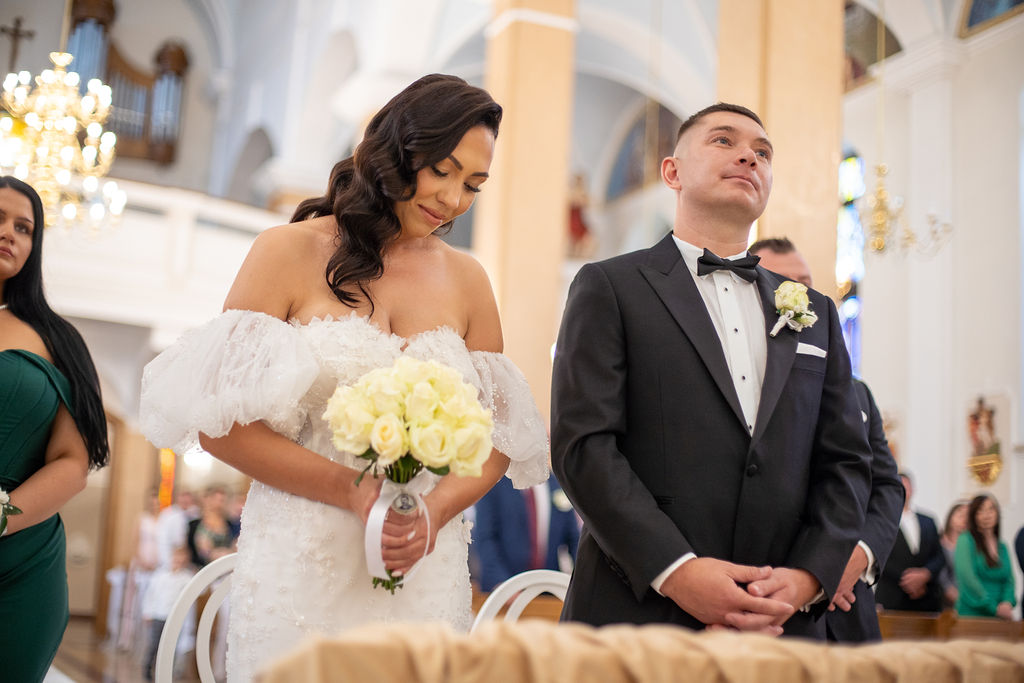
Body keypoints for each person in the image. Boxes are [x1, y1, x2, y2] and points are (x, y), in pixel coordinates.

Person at [140, 74, 548, 682]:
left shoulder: (468, 281)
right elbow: (220, 424)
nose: (456, 199)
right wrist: (351, 489)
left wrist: (433, 512)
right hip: (302, 559)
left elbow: (499, 438)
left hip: (419, 567)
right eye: (443, 169)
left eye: (474, 184)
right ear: (398, 147)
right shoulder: (286, 252)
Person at [550, 103, 872, 639]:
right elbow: (583, 446)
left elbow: (846, 461)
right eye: (724, 141)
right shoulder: (609, 286)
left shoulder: (815, 313)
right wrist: (677, 571)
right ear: (672, 172)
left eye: (763, 153)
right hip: (640, 614)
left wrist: (807, 577)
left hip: (781, 624)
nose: (749, 155)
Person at [751, 236, 904, 642]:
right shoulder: (743, 390)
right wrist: (813, 572)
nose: (799, 298)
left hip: (848, 611)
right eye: (784, 284)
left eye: (806, 283)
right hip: (771, 602)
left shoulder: (858, 393)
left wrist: (854, 559)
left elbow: (885, 486)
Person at [0, 176, 110, 682]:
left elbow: (72, 462)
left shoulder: (57, 339)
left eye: (24, 228)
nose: (10, 234)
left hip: (22, 558)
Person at [473, 473, 580, 591]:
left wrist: (583, 582)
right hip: (503, 590)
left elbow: (574, 540)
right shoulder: (495, 483)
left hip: (548, 591)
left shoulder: (558, 485)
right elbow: (485, 537)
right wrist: (501, 583)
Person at [874, 473, 946, 612]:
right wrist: (910, 581)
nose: (903, 490)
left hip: (926, 598)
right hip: (892, 597)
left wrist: (926, 574)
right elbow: (879, 556)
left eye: (906, 486)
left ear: (913, 489)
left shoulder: (928, 521)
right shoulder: (881, 520)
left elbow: (939, 556)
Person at [954, 494, 1017, 619]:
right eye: (980, 510)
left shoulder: (1002, 546)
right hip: (972, 614)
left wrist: (1007, 603)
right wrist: (994, 608)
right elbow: (968, 579)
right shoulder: (965, 540)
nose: (986, 515)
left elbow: (1009, 580)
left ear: (997, 513)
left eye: (991, 509)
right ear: (973, 515)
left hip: (1001, 615)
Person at [141, 546, 195, 680]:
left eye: (182, 558)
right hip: (158, 615)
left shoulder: (186, 577)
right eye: (176, 557)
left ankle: (167, 671)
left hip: (174, 618)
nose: (178, 560)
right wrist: (147, 612)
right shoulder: (160, 575)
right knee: (154, 644)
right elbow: (150, 594)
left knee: (171, 646)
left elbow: (199, 591)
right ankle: (147, 669)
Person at [939, 500, 969, 607]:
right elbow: (940, 573)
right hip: (943, 599)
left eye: (968, 517)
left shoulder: (972, 546)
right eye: (961, 515)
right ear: (951, 516)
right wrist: (949, 590)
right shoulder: (939, 542)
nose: (964, 520)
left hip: (967, 600)